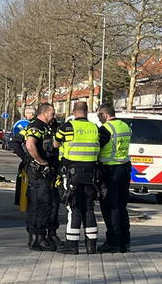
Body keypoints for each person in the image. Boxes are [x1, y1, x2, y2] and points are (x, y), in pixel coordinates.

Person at [53, 101, 101, 255]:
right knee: (89, 208)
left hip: (72, 174)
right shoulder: (95, 128)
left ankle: (72, 245)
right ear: (87, 111)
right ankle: (91, 246)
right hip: (91, 174)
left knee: (74, 208)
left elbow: (55, 144)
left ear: (74, 112)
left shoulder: (66, 127)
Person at [21, 103, 59, 251]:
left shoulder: (45, 126)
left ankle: (35, 238)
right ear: (44, 113)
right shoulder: (37, 126)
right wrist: (40, 161)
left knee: (38, 204)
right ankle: (39, 238)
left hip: (42, 172)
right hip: (38, 172)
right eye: (52, 113)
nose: (54, 116)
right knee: (43, 204)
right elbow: (30, 145)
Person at [96, 104, 132, 253]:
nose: (99, 119)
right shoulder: (125, 126)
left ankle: (113, 241)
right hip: (125, 168)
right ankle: (125, 241)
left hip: (110, 171)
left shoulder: (105, 129)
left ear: (104, 115)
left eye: (99, 116)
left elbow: (97, 148)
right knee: (122, 206)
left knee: (111, 207)